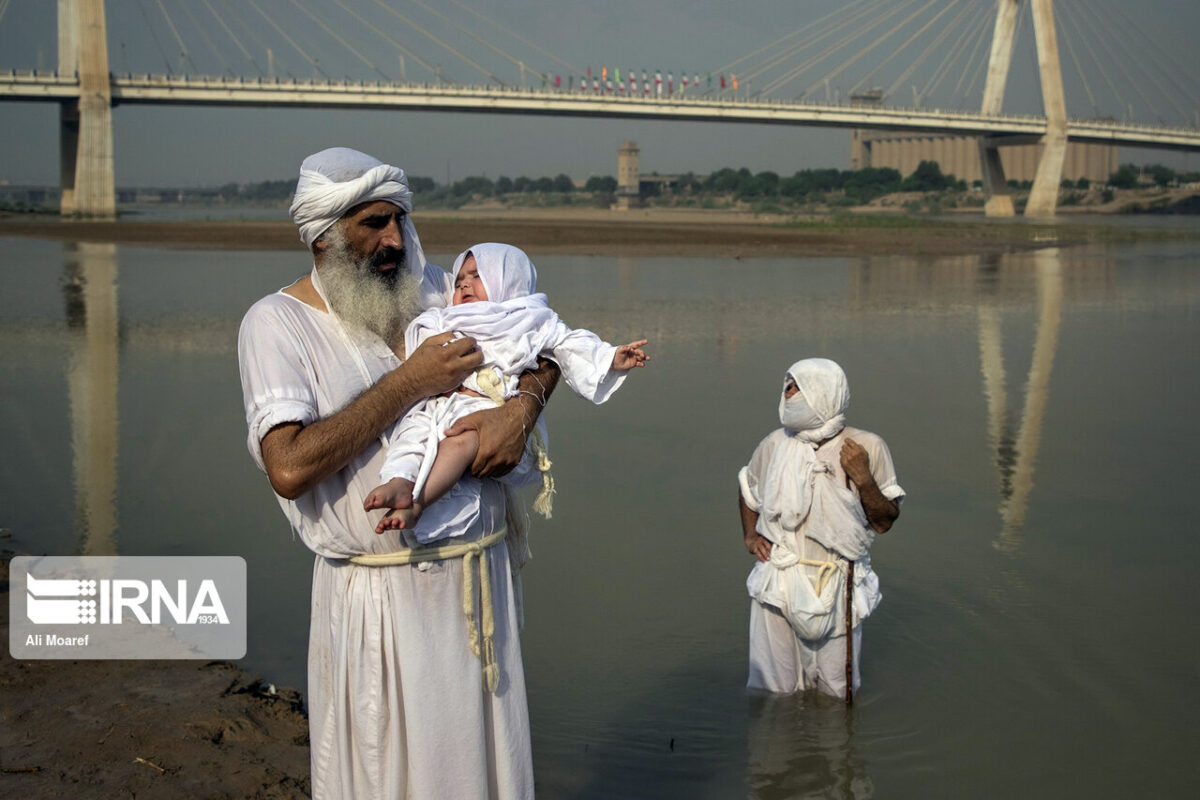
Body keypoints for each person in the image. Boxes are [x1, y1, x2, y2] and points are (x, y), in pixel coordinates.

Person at [237, 147, 559, 799]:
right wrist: (409, 383)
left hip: (479, 580)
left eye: (400, 221)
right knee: (393, 772)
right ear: (324, 235)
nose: (395, 240)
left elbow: (548, 342)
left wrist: (522, 410)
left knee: (487, 771)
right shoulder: (276, 324)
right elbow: (289, 466)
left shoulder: (438, 291)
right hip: (379, 601)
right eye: (373, 224)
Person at [364, 242, 649, 535]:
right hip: (439, 404)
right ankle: (399, 480)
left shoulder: (531, 318)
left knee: (461, 443)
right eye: (459, 280)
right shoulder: (446, 317)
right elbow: (423, 344)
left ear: (507, 280)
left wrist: (610, 357)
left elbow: (570, 344)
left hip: (486, 410)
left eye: (476, 276)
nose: (464, 284)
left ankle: (418, 502)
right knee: (412, 430)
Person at [737, 358, 904, 698]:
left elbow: (885, 521)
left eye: (796, 387)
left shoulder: (866, 447)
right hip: (779, 578)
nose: (788, 394)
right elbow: (747, 490)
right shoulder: (774, 444)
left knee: (836, 692)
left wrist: (863, 478)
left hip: (838, 583)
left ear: (824, 394)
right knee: (773, 691)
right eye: (787, 387)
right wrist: (751, 536)